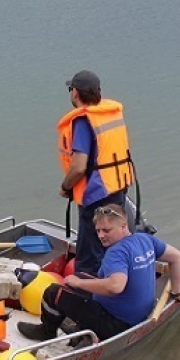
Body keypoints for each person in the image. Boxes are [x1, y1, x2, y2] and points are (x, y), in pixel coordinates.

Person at [17, 205, 180, 343]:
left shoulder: (116, 252)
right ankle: (81, 329)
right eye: (98, 231)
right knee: (79, 278)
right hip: (140, 313)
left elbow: (116, 286)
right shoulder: (146, 239)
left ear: (123, 225)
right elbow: (177, 257)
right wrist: (176, 292)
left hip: (116, 324)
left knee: (54, 292)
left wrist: (79, 284)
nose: (101, 235)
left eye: (106, 230)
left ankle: (46, 332)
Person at [57, 70, 136, 276]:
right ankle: (118, 281)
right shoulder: (111, 114)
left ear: (75, 93)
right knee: (113, 240)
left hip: (95, 194)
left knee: (89, 255)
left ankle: (88, 297)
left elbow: (79, 166)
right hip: (117, 186)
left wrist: (66, 187)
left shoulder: (84, 121)